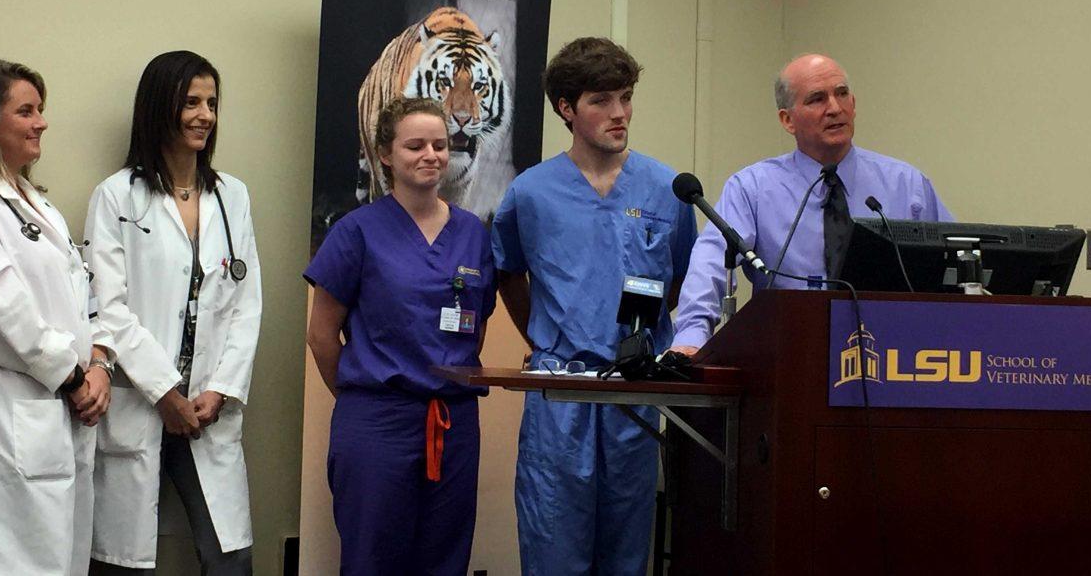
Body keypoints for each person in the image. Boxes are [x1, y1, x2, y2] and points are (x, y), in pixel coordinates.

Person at [491, 37, 697, 575]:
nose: (620, 113)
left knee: (628, 552)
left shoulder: (667, 189)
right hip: (561, 394)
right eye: (602, 101)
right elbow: (508, 273)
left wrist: (647, 339)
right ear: (566, 108)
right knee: (553, 543)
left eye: (626, 98)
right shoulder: (531, 193)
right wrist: (544, 338)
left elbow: (682, 280)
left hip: (635, 392)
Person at [0, 59, 114, 575]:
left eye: (41, 110)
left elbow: (84, 299)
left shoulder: (38, 206)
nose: (42, 122)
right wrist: (74, 376)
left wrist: (100, 363)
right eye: (26, 110)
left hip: (53, 425)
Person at [85, 51, 261, 575]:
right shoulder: (116, 196)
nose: (205, 114)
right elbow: (107, 309)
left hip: (209, 405)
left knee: (230, 557)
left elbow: (245, 302)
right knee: (122, 559)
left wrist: (221, 387)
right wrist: (164, 391)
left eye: (211, 103)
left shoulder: (233, 197)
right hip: (142, 401)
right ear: (160, 107)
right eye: (191, 102)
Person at [305, 96, 496, 575]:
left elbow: (478, 323)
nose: (431, 154)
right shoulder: (357, 231)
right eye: (415, 145)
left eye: (439, 144)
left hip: (454, 420)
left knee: (445, 556)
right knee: (372, 557)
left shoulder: (473, 233)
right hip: (377, 419)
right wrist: (358, 394)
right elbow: (322, 334)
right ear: (385, 155)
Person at [672, 53, 953, 352]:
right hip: (789, 351)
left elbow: (955, 264)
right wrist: (691, 337)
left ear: (854, 105)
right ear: (787, 120)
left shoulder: (906, 185)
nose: (834, 108)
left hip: (893, 352)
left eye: (842, 94)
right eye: (817, 99)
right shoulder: (753, 188)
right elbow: (712, 261)